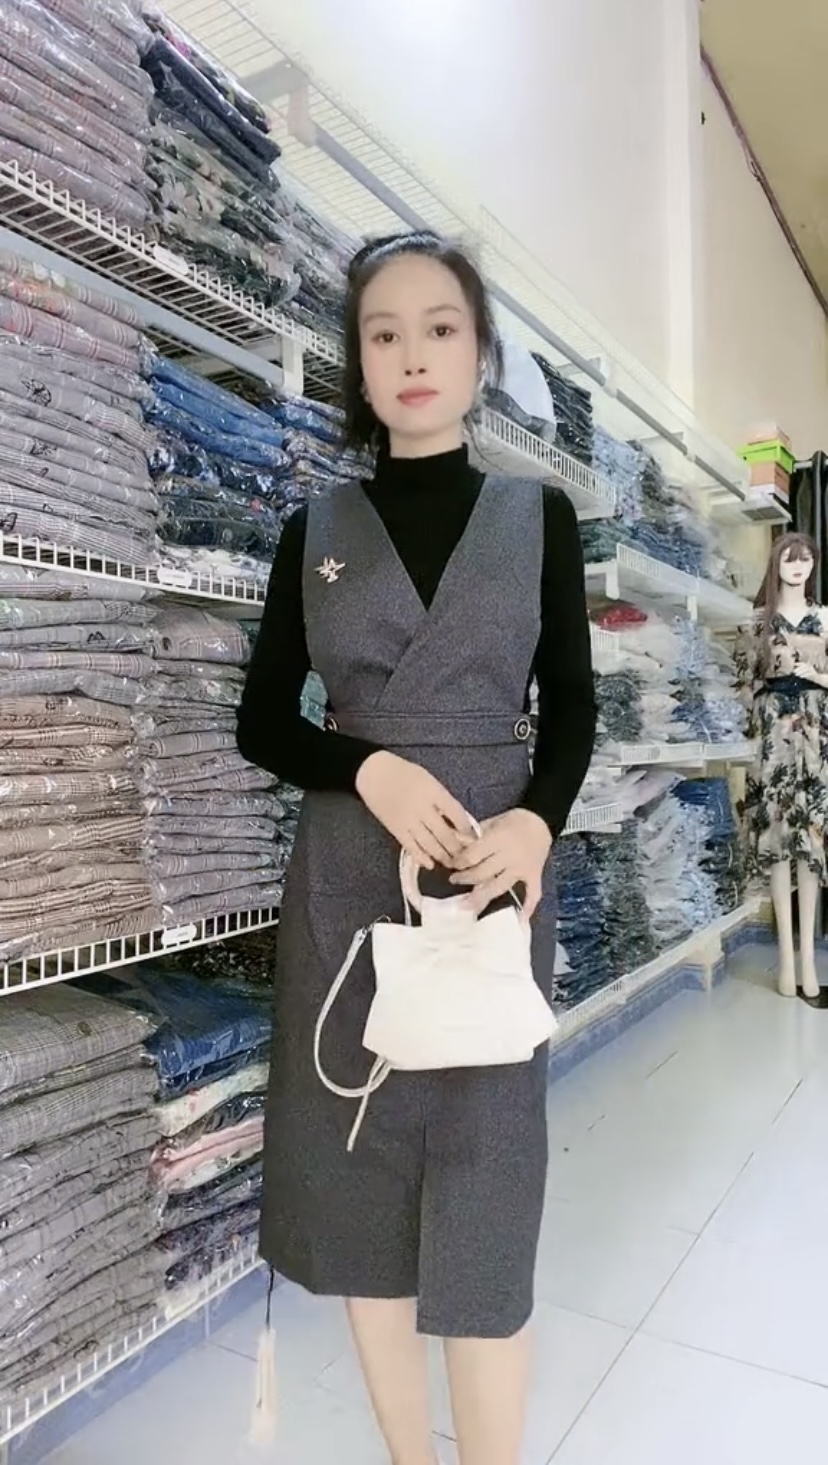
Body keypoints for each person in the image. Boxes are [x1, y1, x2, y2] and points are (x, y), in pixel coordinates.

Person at [237, 230, 597, 1465]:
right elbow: (261, 719)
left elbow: (573, 705)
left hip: (493, 875)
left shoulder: (539, 517)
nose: (411, 354)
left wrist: (538, 819)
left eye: (439, 327)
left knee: (491, 1177)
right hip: (349, 876)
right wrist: (368, 766)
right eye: (382, 333)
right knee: (360, 1170)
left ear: (481, 352)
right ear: (358, 360)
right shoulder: (315, 529)